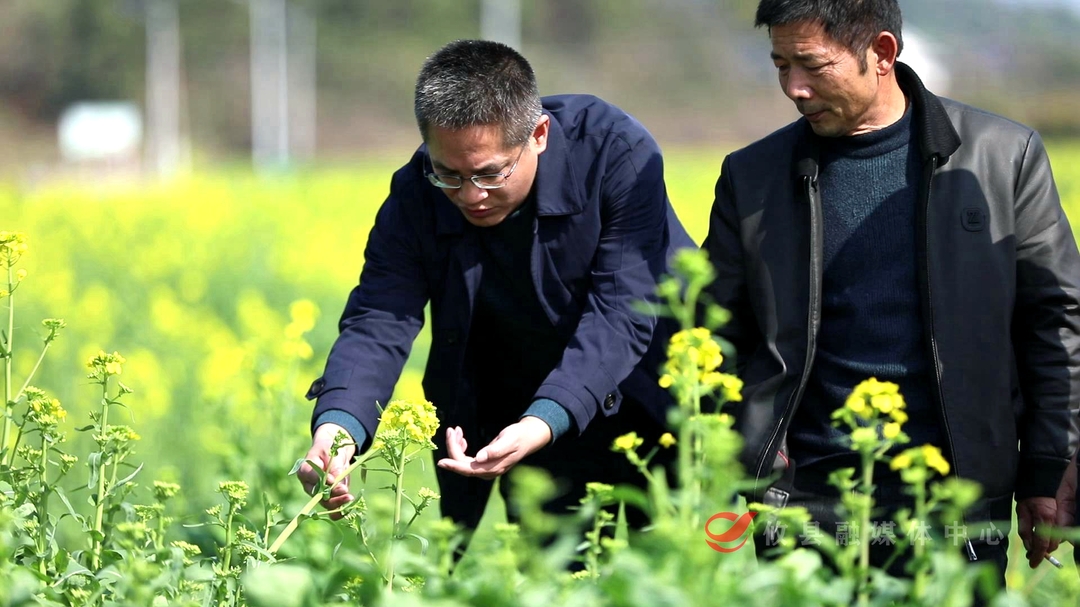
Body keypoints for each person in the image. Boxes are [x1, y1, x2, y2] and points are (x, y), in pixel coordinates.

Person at [701, 0, 1080, 590]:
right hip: (802, 499)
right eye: (780, 66)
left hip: (957, 497)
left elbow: (1054, 323)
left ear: (881, 53)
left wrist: (1048, 469)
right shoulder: (752, 177)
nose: (794, 89)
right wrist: (744, 461)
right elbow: (715, 332)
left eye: (812, 66)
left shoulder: (1004, 159)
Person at [297, 39, 694, 537]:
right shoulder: (417, 192)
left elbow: (622, 312)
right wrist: (337, 430)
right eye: (449, 174)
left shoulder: (615, 154)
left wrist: (543, 420)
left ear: (540, 135)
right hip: (524, 421)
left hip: (648, 405)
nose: (470, 195)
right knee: (551, 571)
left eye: (490, 173)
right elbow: (380, 315)